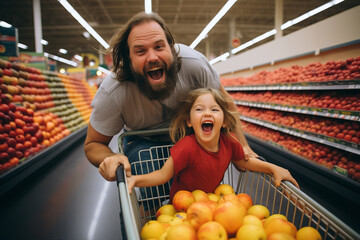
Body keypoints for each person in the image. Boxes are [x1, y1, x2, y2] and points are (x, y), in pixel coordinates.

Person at [84, 11, 258, 183]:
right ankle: (150, 209)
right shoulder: (114, 90)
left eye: (159, 47)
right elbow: (93, 144)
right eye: (140, 51)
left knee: (203, 174)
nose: (152, 57)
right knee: (146, 168)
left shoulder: (195, 65)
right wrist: (109, 158)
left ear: (172, 48)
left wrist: (242, 145)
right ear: (128, 60)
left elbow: (224, 103)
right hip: (143, 143)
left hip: (192, 135)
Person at [127, 88, 299, 200]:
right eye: (199, 109)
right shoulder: (186, 146)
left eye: (214, 109)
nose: (207, 113)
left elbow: (243, 162)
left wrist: (273, 168)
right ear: (189, 121)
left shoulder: (230, 140)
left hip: (213, 203)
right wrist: (135, 180)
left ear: (224, 121)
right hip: (182, 208)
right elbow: (163, 175)